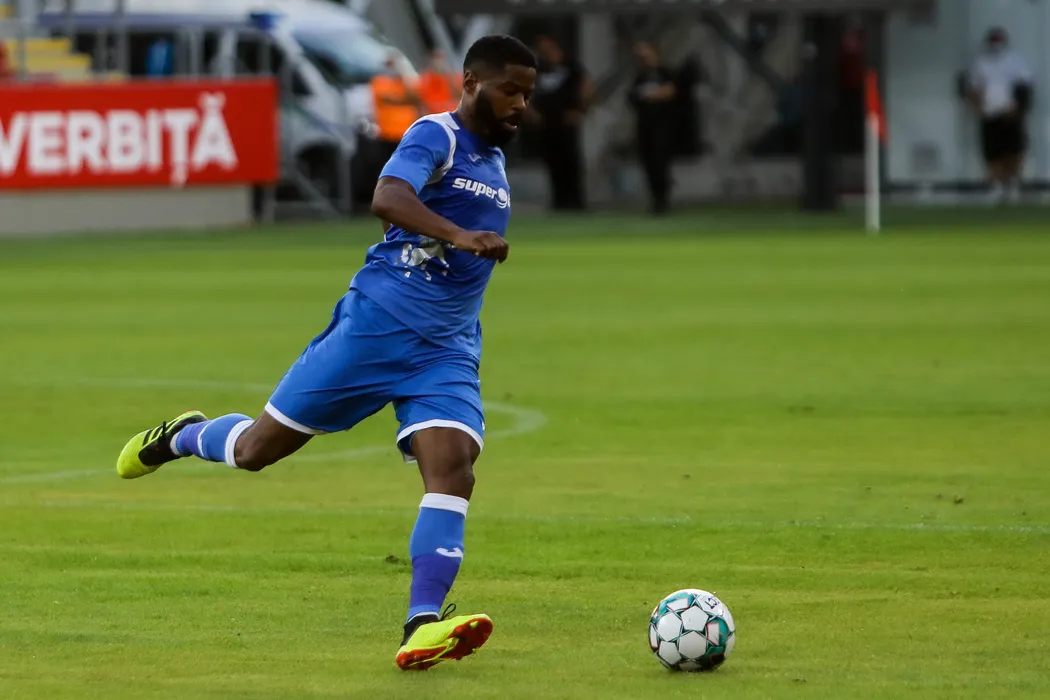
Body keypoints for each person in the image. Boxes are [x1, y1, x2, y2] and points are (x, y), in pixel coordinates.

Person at [114, 35, 538, 672]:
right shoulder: (437, 136)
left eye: (528, 94)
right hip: (374, 329)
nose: (521, 105)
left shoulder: (496, 164)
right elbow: (386, 197)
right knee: (255, 451)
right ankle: (183, 435)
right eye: (510, 91)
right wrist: (458, 235)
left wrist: (452, 245)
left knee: (454, 468)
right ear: (472, 82)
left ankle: (423, 624)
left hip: (446, 349)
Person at [964, 27, 1034, 204]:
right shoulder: (980, 63)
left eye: (998, 41)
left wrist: (1019, 109)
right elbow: (974, 87)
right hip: (989, 114)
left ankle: (1013, 185)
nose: (996, 45)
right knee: (992, 152)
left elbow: (1025, 86)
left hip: (1011, 113)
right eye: (993, 41)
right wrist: (977, 107)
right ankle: (996, 186)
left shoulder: (1015, 61)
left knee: (1014, 151)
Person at [530, 35, 594, 211]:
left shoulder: (572, 67)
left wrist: (581, 111)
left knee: (571, 161)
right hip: (546, 123)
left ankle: (576, 201)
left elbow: (587, 87)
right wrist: (531, 113)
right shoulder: (538, 70)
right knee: (552, 162)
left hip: (567, 122)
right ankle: (559, 201)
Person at [627, 41, 677, 214]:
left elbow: (670, 91)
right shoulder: (640, 76)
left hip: (662, 126)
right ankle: (655, 198)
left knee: (660, 161)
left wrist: (652, 95)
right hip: (644, 125)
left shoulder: (665, 73)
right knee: (648, 162)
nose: (643, 58)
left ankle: (663, 198)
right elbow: (633, 97)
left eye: (646, 54)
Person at [419, 48, 463, 115]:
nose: (438, 62)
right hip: (432, 111)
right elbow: (420, 97)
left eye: (440, 58)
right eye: (435, 58)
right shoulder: (425, 78)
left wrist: (448, 77)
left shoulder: (453, 76)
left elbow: (460, 94)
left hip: (449, 111)